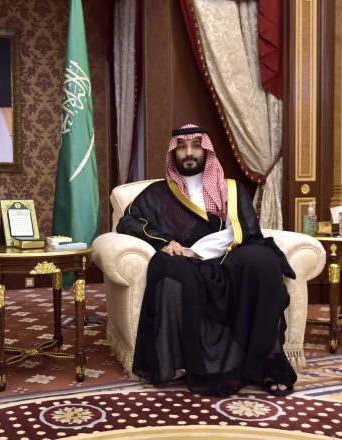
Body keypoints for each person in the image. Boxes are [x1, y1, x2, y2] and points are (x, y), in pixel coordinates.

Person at [116, 124, 298, 397]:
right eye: (182, 147)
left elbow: (247, 232)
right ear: (173, 153)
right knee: (168, 266)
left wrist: (200, 251)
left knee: (262, 260)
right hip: (185, 261)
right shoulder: (157, 194)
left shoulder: (231, 189)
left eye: (195, 146)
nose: (189, 153)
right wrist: (166, 243)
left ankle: (268, 363)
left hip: (228, 257)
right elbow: (127, 223)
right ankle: (202, 368)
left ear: (206, 152)